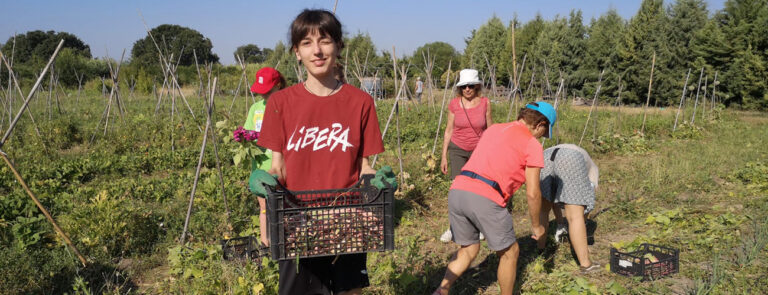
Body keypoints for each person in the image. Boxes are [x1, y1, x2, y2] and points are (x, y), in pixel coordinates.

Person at [255, 9, 384, 295]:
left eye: (325, 40)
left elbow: (365, 167)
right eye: (306, 43)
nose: (317, 50)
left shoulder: (360, 102)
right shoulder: (281, 103)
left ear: (338, 46)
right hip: (298, 221)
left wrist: (378, 183)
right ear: (296, 52)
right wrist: (265, 183)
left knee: (349, 291)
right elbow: (278, 167)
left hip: (347, 220)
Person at [432, 101, 557, 295]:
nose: (542, 137)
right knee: (510, 252)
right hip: (486, 197)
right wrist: (537, 226)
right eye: (544, 132)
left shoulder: (495, 129)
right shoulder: (532, 144)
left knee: (469, 249)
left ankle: (441, 291)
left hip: (458, 189)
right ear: (541, 124)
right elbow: (533, 193)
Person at [439, 69, 493, 242]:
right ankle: (453, 227)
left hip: (479, 150)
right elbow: (449, 130)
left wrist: (492, 153)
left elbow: (490, 129)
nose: (467, 89)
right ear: (460, 88)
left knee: (480, 188)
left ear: (477, 86)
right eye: (464, 86)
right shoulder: (455, 104)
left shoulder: (485, 103)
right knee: (457, 189)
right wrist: (444, 156)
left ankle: (480, 225)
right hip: (457, 149)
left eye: (471, 86)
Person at [536, 144, 601, 274]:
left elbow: (555, 199)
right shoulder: (593, 169)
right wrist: (581, 223)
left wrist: (560, 222)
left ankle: (540, 250)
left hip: (545, 156)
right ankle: (586, 264)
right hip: (571, 158)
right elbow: (586, 206)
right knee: (575, 216)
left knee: (543, 210)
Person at [244, 67, 286, 247]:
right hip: (261, 167)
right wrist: (244, 138)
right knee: (264, 207)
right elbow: (248, 131)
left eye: (268, 92)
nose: (264, 96)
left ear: (278, 86)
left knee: (284, 207)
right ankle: (265, 245)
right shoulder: (256, 108)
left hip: (283, 168)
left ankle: (284, 244)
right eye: (262, 93)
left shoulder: (286, 106)